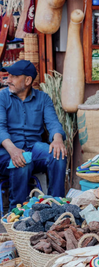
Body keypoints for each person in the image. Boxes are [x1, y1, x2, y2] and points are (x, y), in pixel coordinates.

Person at [0, 60, 67, 209]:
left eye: (13, 76)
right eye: (8, 76)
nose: (8, 80)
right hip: (6, 151)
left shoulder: (43, 99)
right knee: (22, 161)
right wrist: (13, 150)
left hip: (33, 149)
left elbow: (54, 123)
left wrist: (57, 139)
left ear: (28, 80)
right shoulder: (2, 97)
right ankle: (17, 212)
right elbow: (0, 128)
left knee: (58, 154)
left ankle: (55, 207)